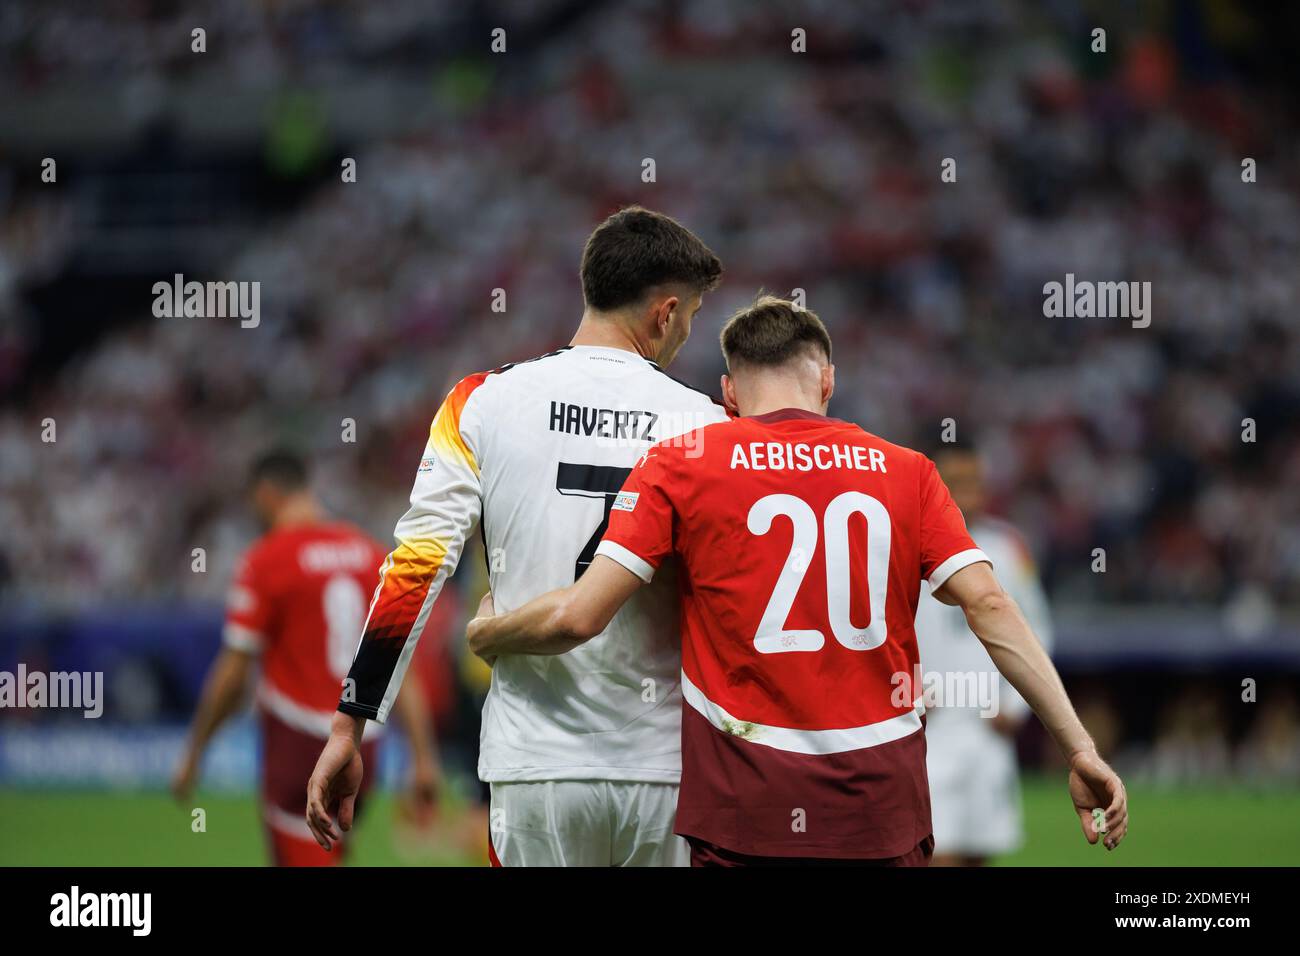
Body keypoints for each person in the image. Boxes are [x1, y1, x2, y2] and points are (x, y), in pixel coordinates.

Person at [467, 296, 1128, 866]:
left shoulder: (682, 464)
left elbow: (581, 617)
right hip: (881, 802)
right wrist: (1080, 748)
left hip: (745, 805)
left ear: (728, 394)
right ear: (828, 381)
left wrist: (489, 629)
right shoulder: (909, 473)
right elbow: (989, 603)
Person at [307, 207, 729, 866]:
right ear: (664, 312)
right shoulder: (709, 426)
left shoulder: (481, 401)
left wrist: (351, 722)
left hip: (535, 768)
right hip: (667, 770)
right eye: (694, 315)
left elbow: (416, 569)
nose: (687, 332)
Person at [173, 448, 440, 866]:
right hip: (362, 745)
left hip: (299, 745)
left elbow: (233, 674)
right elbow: (399, 668)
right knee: (330, 850)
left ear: (265, 494)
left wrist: (194, 751)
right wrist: (424, 758)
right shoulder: (370, 555)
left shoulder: (266, 561)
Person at [913, 438, 1054, 865]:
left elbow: (1037, 629)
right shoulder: (905, 542)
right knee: (937, 852)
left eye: (974, 482)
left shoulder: (1008, 548)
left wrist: (1016, 705)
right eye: (956, 482)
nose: (967, 493)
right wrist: (907, 694)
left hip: (989, 726)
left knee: (982, 850)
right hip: (933, 729)